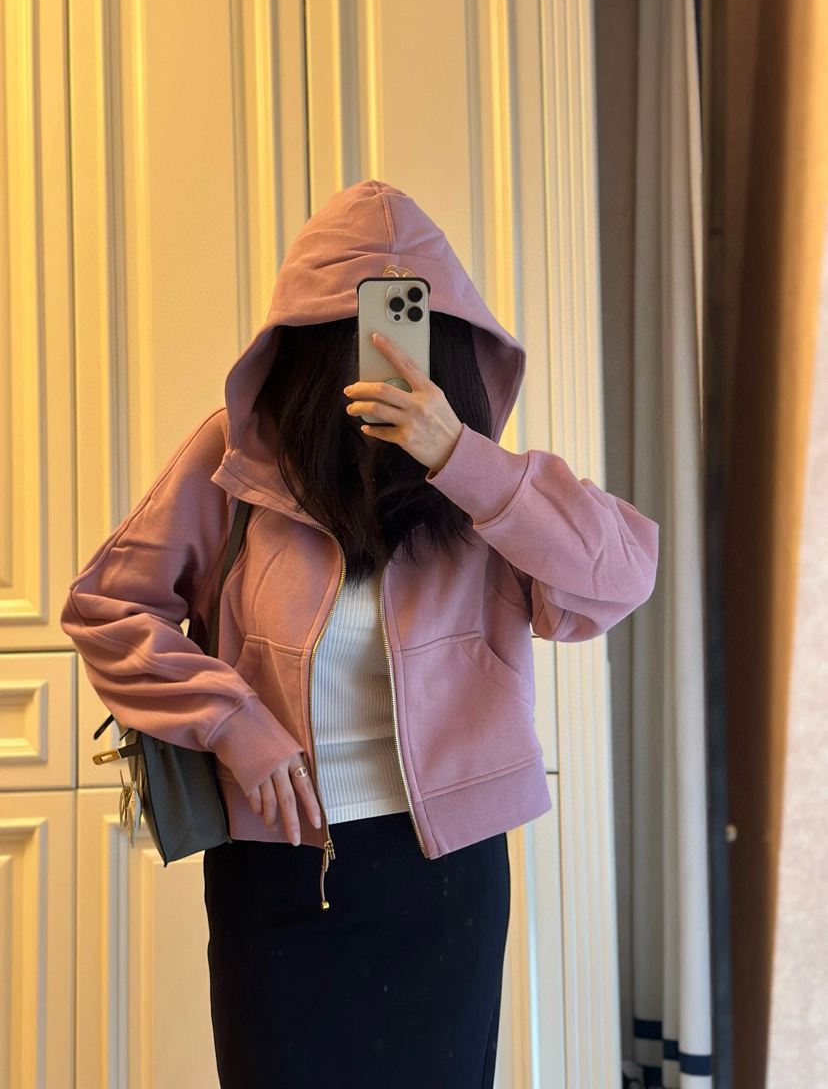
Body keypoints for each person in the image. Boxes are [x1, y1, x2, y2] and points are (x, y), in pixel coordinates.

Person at [60, 180, 659, 1088]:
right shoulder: (232, 459)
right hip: (278, 871)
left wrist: (460, 457)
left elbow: (623, 575)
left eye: (411, 321)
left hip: (446, 880)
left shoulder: (489, 487)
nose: (384, 346)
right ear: (307, 343)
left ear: (448, 339)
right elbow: (107, 606)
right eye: (355, 326)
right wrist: (232, 723)